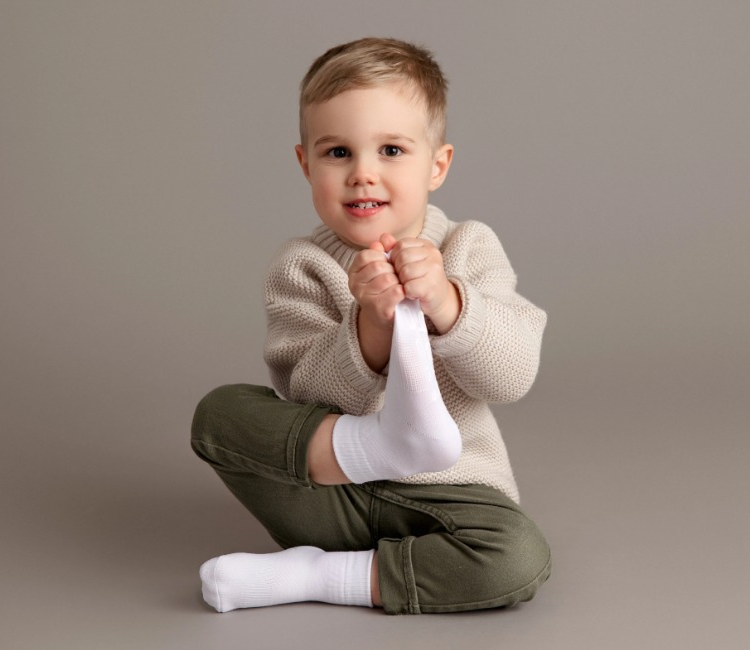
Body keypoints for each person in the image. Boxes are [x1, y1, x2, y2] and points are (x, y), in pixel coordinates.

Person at [191, 36, 550, 615]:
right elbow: (304, 394)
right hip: (333, 494)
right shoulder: (301, 266)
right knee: (218, 414)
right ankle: (380, 446)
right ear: (306, 163)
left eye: (390, 150)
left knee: (516, 559)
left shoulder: (469, 247)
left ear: (437, 165)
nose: (363, 174)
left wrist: (448, 303)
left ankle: (322, 576)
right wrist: (370, 326)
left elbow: (511, 377)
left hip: (450, 493)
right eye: (338, 153)